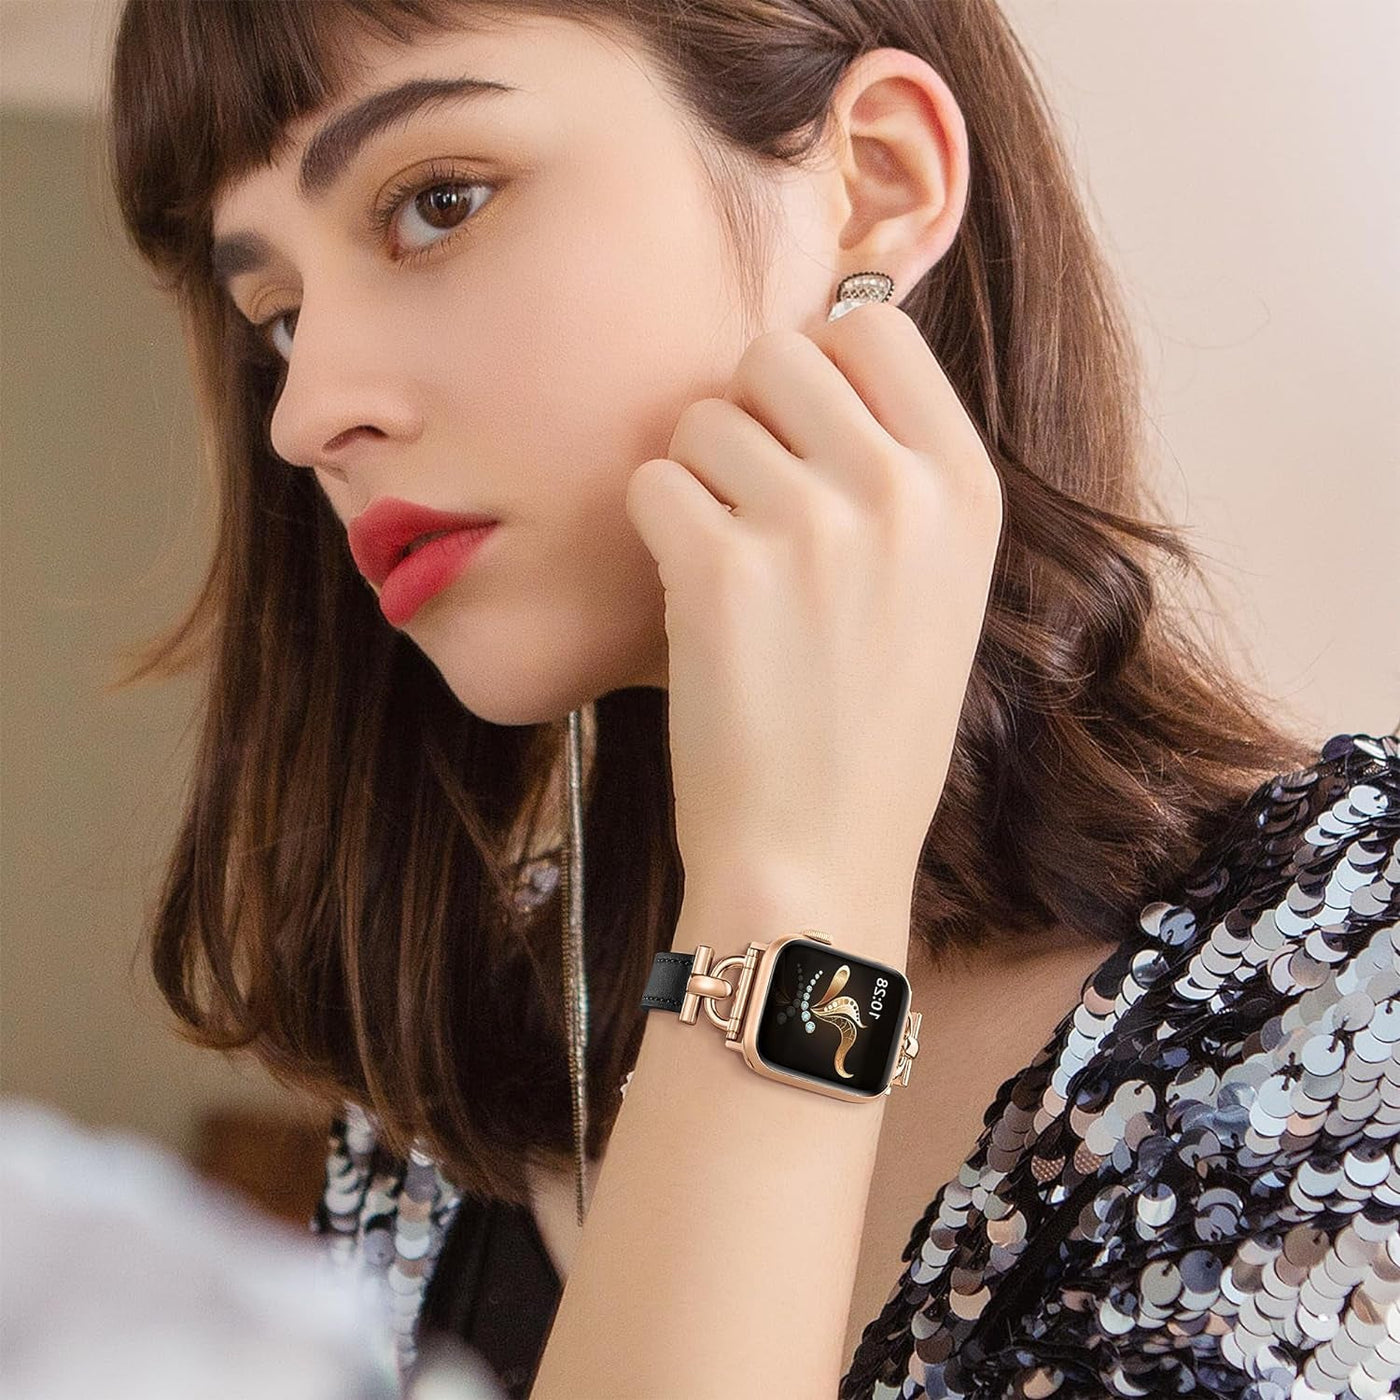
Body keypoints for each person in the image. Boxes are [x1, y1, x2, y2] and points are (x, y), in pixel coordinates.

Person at [102, 2, 1398, 1397]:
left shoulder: (1359, 994)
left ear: (875, 183)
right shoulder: (469, 1045)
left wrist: (794, 898)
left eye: (439, 203)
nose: (307, 413)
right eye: (282, 316)